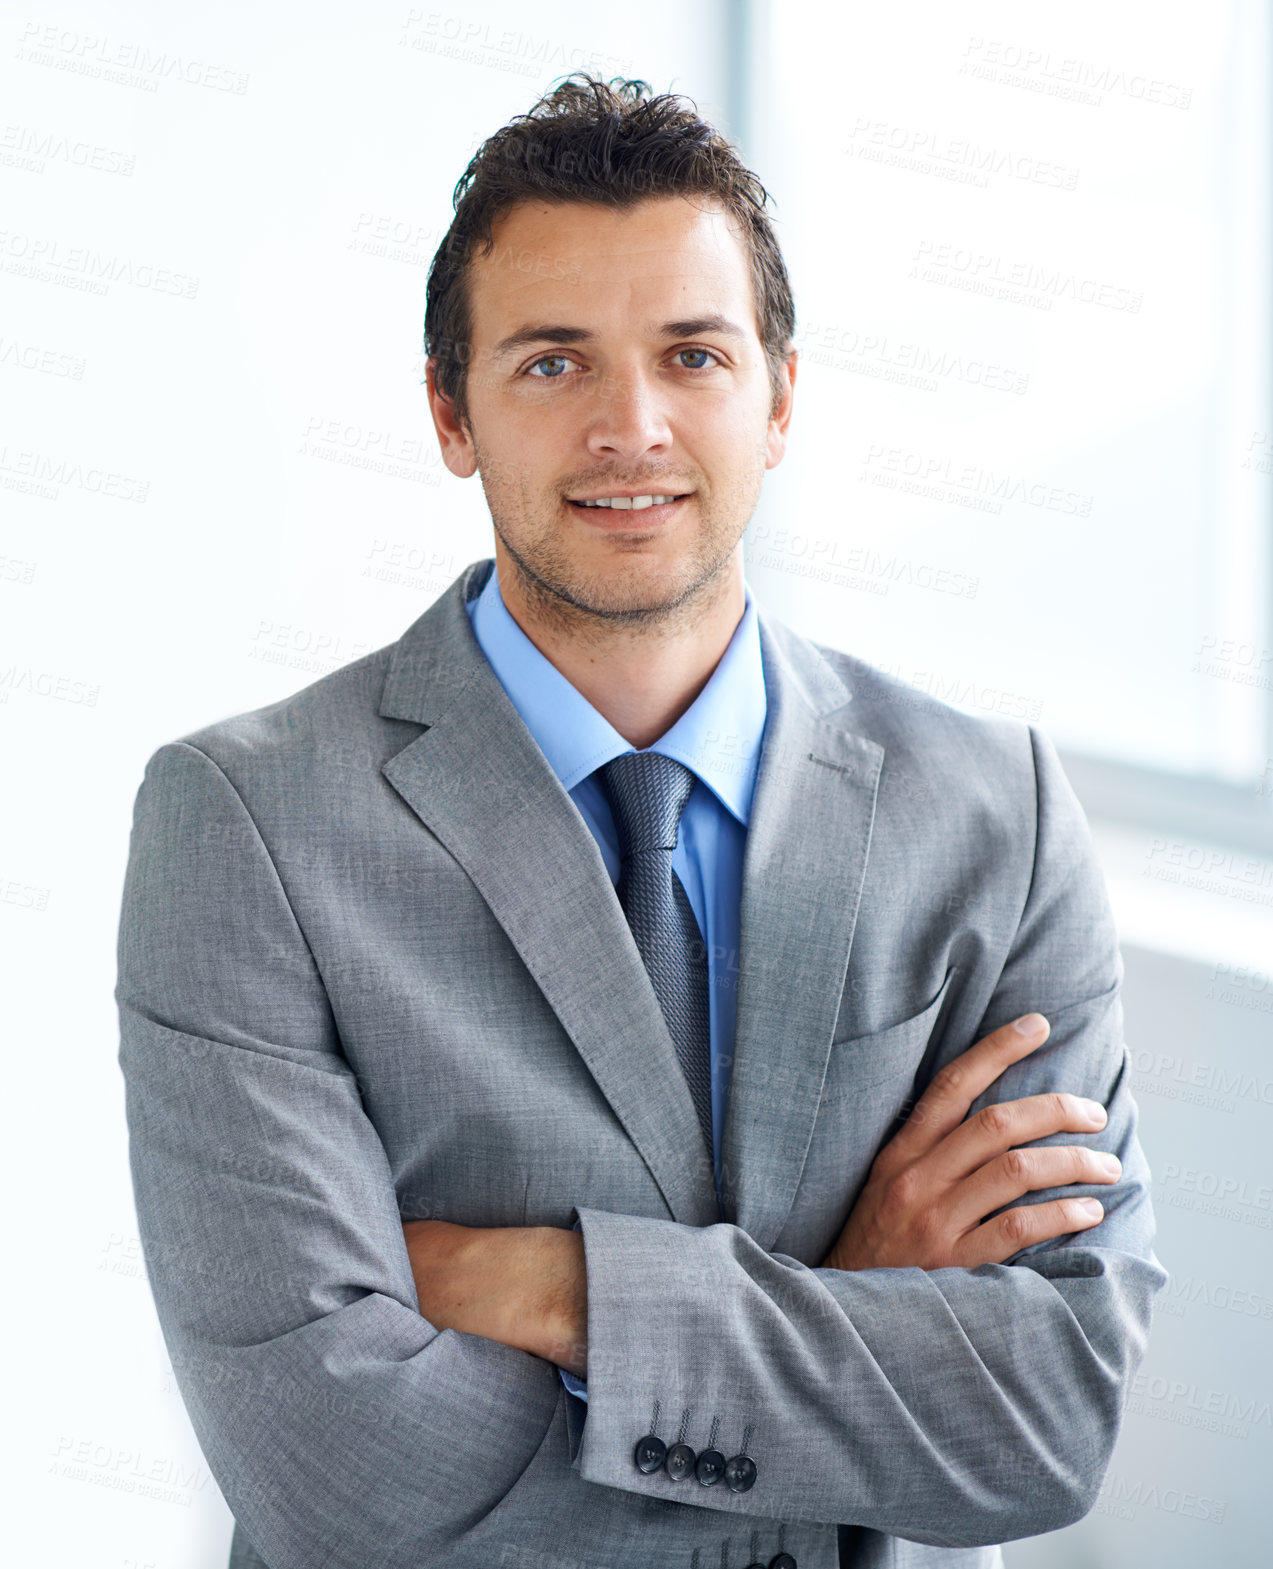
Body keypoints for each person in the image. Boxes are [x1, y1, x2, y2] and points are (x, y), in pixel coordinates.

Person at [116, 75, 1166, 1569]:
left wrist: (561, 1293)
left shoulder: (995, 812)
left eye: (692, 354)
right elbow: (331, 1468)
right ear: (448, 410)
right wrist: (858, 1299)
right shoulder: (245, 823)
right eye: (552, 364)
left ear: (779, 396)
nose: (631, 425)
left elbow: (1050, 1416)